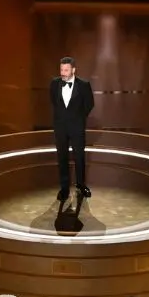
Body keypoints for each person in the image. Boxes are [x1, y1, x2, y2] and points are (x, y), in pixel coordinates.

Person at [50, 57, 95, 201]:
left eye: (66, 70)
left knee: (79, 157)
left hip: (77, 127)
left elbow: (89, 104)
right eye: (61, 69)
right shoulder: (54, 83)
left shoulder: (84, 85)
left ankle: (81, 185)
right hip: (60, 127)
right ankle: (64, 188)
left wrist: (79, 119)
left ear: (73, 70)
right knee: (62, 157)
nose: (63, 73)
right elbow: (53, 101)